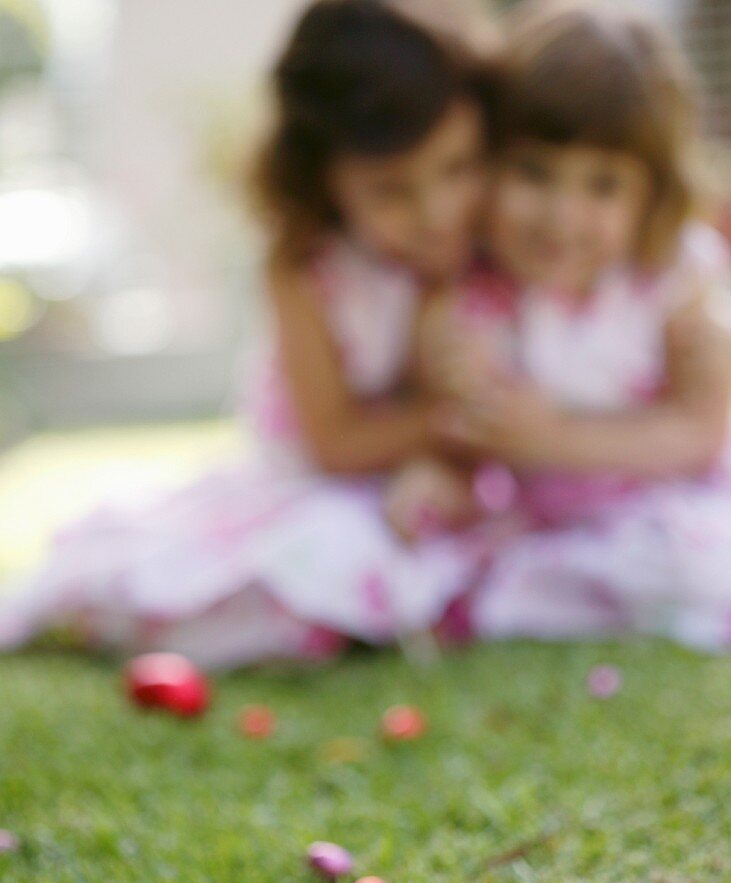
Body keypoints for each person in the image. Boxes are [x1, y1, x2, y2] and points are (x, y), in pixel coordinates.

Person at [0, 0, 495, 667]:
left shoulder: (490, 246)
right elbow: (335, 443)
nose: (435, 213)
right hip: (311, 485)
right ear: (325, 181)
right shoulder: (306, 270)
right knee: (309, 556)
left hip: (429, 486)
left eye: (457, 169)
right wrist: (458, 421)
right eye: (391, 191)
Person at [397, 0, 731, 649]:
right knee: (413, 547)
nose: (561, 216)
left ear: (650, 194)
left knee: (687, 558)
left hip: (668, 509)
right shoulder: (476, 298)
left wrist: (549, 436)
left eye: (601, 185)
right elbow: (463, 424)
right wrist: (447, 475)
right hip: (536, 524)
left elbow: (699, 431)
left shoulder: (673, 281)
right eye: (533, 172)